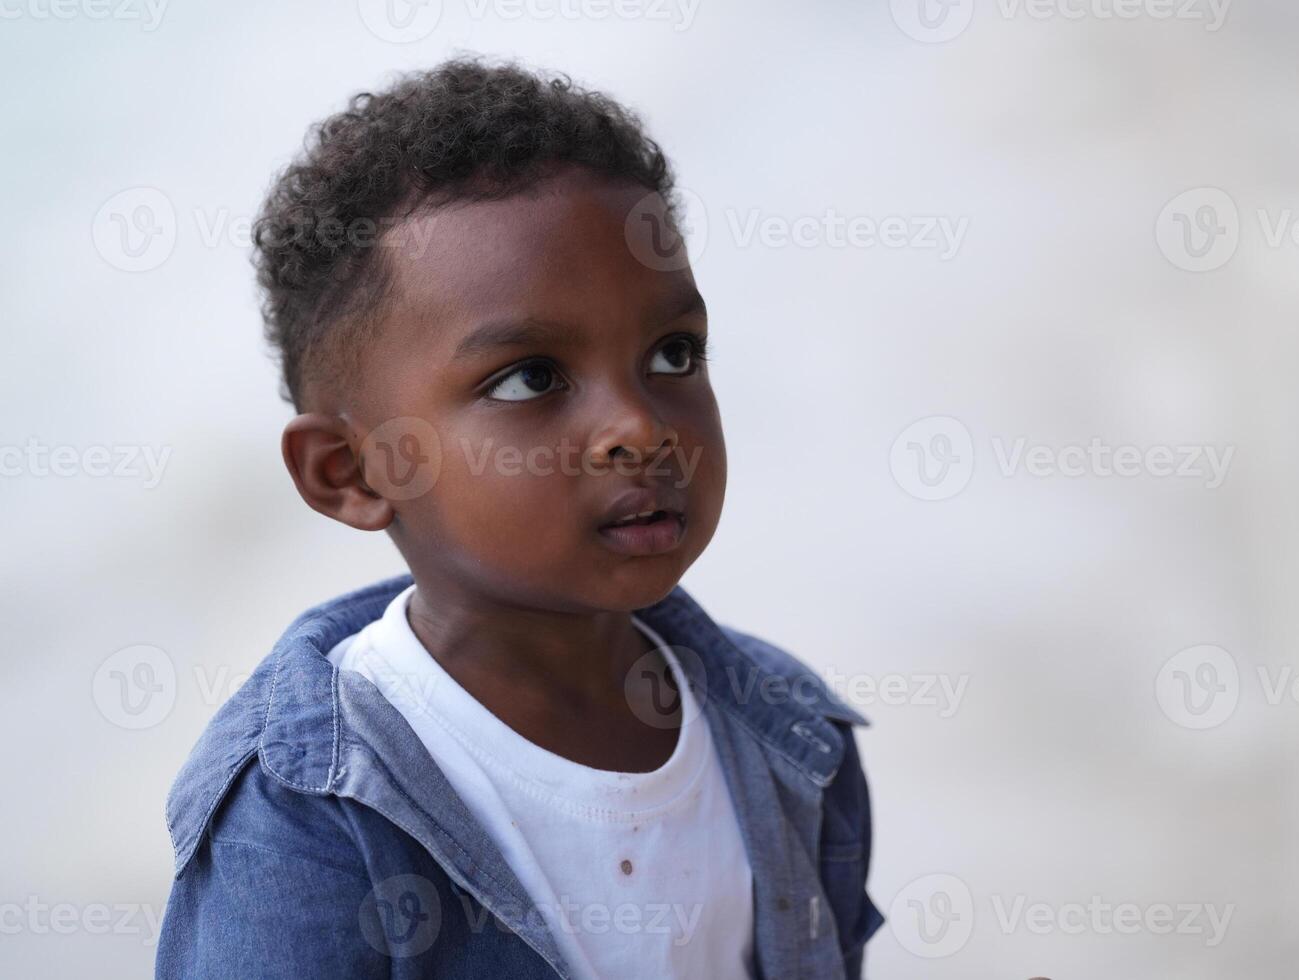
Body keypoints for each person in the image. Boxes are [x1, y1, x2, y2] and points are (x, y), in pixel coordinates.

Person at [155, 57, 882, 979]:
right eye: (530, 378)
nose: (638, 427)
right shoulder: (302, 820)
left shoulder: (791, 736)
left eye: (672, 353)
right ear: (350, 472)